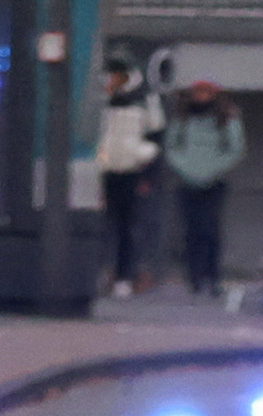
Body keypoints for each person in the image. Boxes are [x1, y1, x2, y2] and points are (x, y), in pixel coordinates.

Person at [163, 77, 246, 296]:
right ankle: (194, 277)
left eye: (206, 93)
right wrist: (186, 168)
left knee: (210, 230)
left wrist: (212, 169)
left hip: (214, 181)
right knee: (190, 231)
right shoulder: (182, 116)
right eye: (197, 93)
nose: (201, 97)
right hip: (186, 180)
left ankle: (213, 276)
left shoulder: (227, 117)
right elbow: (172, 147)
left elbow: (235, 148)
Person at [95, 49, 162, 292]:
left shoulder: (145, 100)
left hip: (133, 170)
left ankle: (124, 276)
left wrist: (145, 169)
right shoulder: (99, 99)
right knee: (100, 226)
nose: (113, 78)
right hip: (104, 169)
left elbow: (156, 136)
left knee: (128, 227)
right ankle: (101, 273)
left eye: (118, 74)